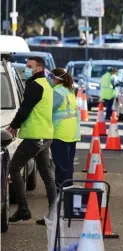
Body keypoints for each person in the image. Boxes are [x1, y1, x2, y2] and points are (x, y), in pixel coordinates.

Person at [7, 56, 57, 223]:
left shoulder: (36, 85)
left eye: (30, 66)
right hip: (45, 136)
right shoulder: (46, 84)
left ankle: (22, 208)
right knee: (46, 175)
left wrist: (13, 126)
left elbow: (24, 109)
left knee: (13, 168)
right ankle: (53, 214)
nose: (27, 69)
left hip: (35, 136)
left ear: (39, 68)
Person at [50, 68, 80, 189]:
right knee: (68, 165)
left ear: (56, 79)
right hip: (72, 133)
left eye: (51, 78)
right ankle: (68, 189)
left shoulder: (57, 92)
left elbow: (47, 110)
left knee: (61, 166)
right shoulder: (69, 91)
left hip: (60, 133)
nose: (50, 80)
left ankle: (61, 191)